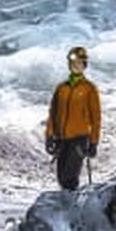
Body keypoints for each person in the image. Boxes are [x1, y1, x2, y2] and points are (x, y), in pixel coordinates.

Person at [45, 46, 101, 190]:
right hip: (61, 139)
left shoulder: (89, 89)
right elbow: (53, 113)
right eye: (73, 63)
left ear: (84, 65)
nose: (76, 66)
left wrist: (93, 142)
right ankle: (68, 205)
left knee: (69, 177)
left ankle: (71, 205)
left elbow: (96, 118)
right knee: (61, 176)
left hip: (79, 139)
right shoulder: (61, 88)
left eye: (79, 63)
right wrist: (49, 136)